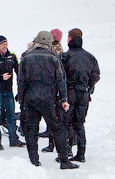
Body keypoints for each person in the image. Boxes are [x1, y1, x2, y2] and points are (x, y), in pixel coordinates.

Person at [17, 31, 78, 169]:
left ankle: (34, 161)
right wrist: (64, 99)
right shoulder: (54, 58)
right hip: (49, 100)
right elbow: (61, 80)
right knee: (58, 129)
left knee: (31, 130)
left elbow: (21, 81)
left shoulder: (26, 58)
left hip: (30, 99)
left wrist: (21, 99)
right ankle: (64, 160)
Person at [62, 28, 100, 162]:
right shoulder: (90, 57)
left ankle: (66, 151)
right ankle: (81, 153)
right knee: (79, 124)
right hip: (83, 93)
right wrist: (88, 87)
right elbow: (96, 75)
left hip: (70, 92)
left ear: (70, 39)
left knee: (66, 122)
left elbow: (61, 75)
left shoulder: (66, 56)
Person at [0, 35, 25, 147]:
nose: (5, 46)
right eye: (3, 44)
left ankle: (14, 139)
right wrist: (0, 77)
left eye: (6, 44)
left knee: (11, 115)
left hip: (9, 91)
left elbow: (19, 71)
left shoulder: (12, 56)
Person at [41, 28, 68, 154]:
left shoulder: (52, 50)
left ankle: (53, 144)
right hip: (58, 88)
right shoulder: (61, 49)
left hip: (52, 88)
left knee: (54, 118)